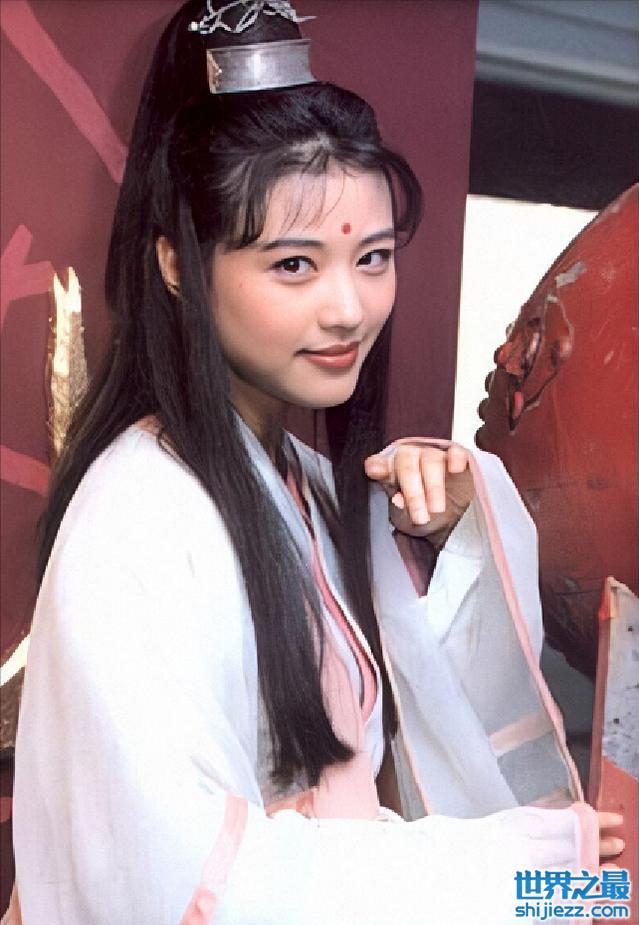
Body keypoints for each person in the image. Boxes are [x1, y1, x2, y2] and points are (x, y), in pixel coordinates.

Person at [8, 2, 624, 924]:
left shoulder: (309, 484)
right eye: (294, 265)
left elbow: (420, 742)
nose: (348, 309)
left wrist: (445, 537)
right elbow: (174, 881)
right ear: (177, 262)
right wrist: (531, 876)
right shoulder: (137, 515)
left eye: (371, 257)